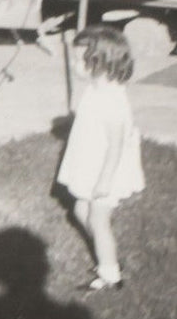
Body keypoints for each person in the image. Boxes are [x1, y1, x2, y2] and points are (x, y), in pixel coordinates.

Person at [57, 24, 145, 291]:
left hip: (106, 170)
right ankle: (107, 254)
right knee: (80, 209)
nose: (73, 64)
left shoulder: (112, 100)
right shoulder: (95, 91)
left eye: (78, 60)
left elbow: (116, 145)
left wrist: (105, 181)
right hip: (91, 162)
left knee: (98, 218)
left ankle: (110, 274)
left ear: (99, 62)